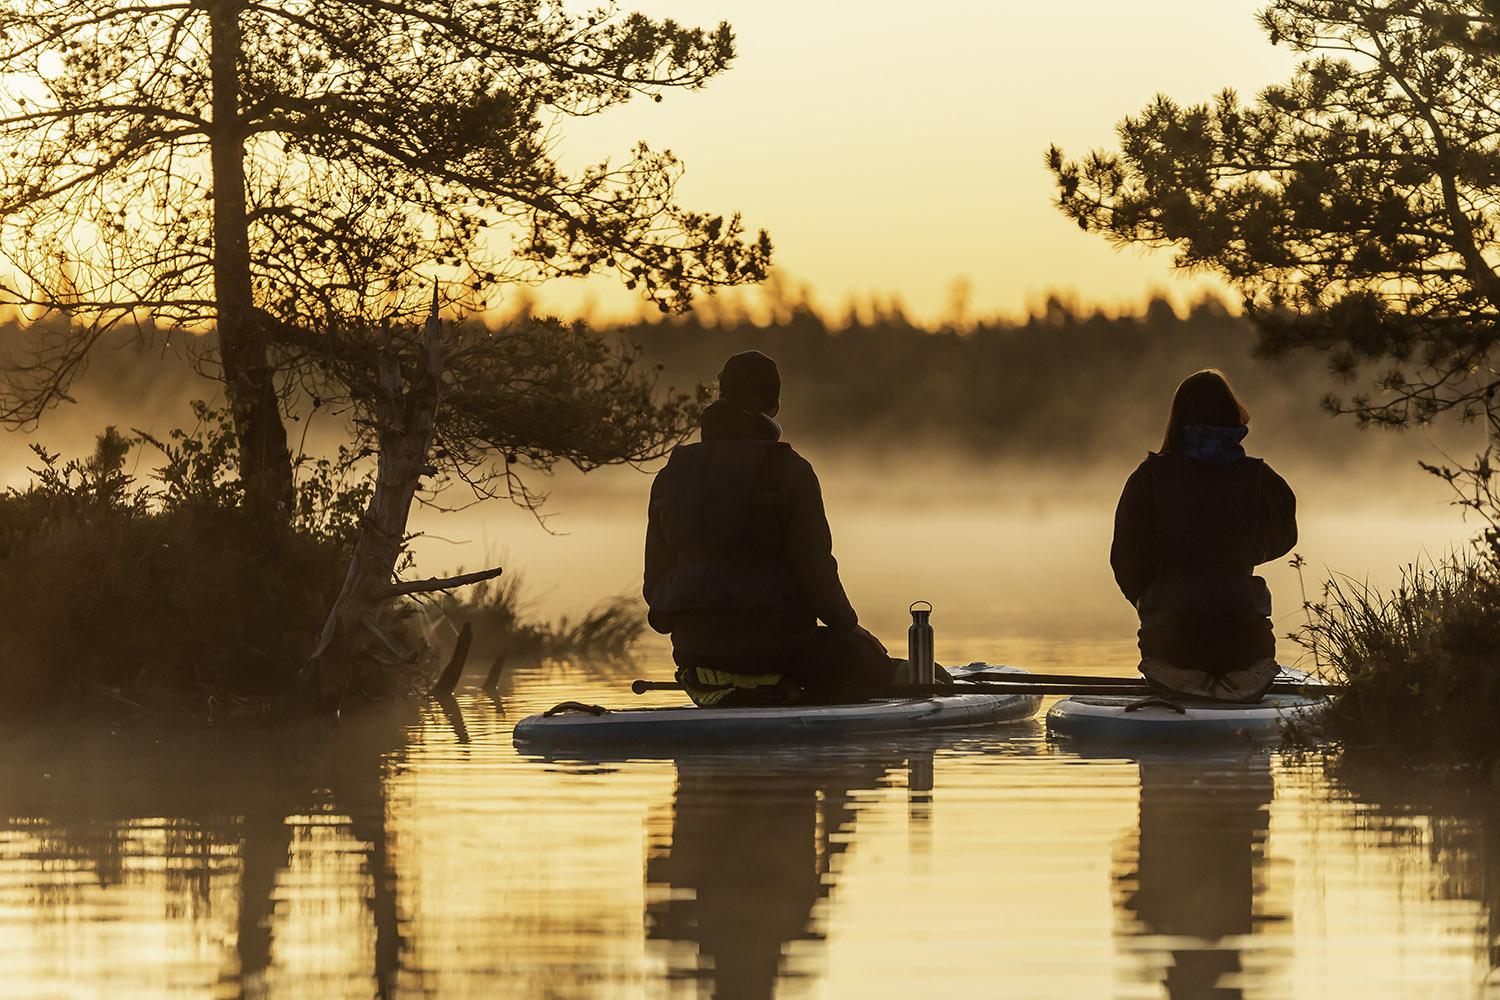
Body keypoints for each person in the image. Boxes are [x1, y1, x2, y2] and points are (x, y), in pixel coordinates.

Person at [643, 350, 895, 706]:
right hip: (778, 650)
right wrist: (851, 628)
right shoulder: (791, 471)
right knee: (864, 659)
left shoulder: (668, 477)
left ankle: (732, 688)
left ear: (719, 397)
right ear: (775, 405)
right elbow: (815, 573)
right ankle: (784, 694)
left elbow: (655, 584)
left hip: (693, 653)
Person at [1110, 369, 1297, 702]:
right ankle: (1242, 680)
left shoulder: (1148, 478)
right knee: (1246, 652)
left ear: (1177, 419)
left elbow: (1125, 559)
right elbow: (1284, 539)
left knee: (1171, 653)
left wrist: (1153, 598)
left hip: (1171, 644)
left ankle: (1180, 678)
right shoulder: (1262, 479)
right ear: (1232, 415)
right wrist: (1238, 560)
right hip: (1246, 644)